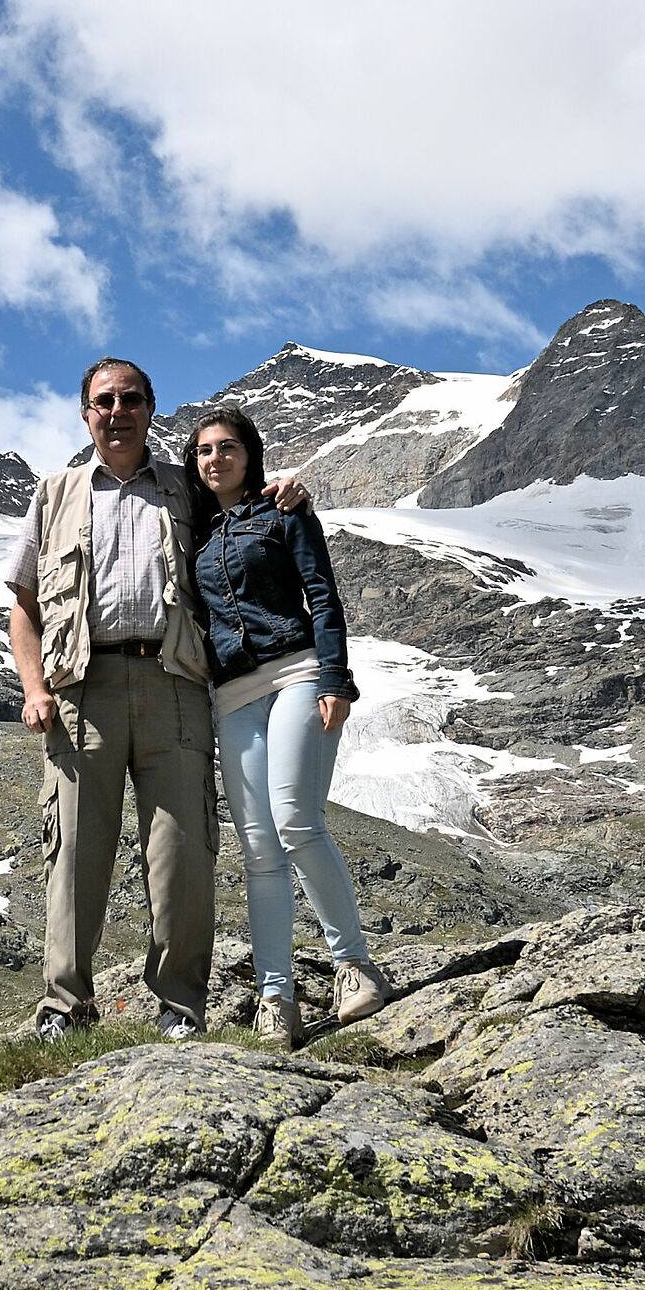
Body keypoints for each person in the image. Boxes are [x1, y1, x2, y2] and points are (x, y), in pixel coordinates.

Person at [5, 358, 308, 1042]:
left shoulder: (185, 486)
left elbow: (245, 506)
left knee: (183, 851)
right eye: (104, 401)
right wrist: (34, 688)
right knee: (74, 852)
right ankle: (65, 1008)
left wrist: (288, 490)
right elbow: (24, 604)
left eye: (131, 399)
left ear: (149, 408)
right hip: (82, 689)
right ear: (86, 413)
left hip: (176, 683)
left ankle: (180, 1007)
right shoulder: (54, 494)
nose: (118, 412)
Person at [185, 406, 390, 1048]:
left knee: (297, 819)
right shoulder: (193, 531)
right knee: (258, 849)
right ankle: (276, 1000)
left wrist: (335, 678)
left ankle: (354, 966)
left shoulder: (285, 511)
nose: (215, 459)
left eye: (227, 447)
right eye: (204, 451)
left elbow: (322, 595)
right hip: (232, 695)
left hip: (298, 671)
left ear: (250, 454)